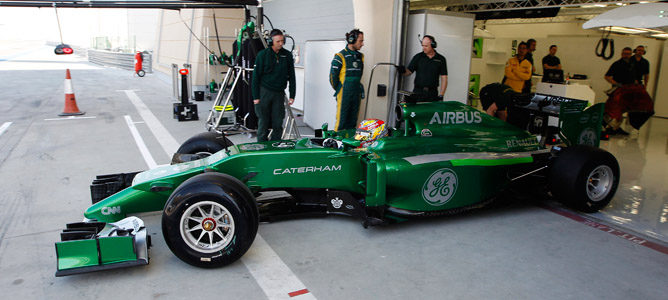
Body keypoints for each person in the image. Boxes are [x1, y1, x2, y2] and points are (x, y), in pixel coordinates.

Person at [251, 28, 296, 142]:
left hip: (279, 93)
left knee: (278, 122)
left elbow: (292, 76)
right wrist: (256, 97)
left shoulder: (287, 55)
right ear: (271, 41)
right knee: (263, 122)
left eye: (282, 41)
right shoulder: (262, 55)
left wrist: (292, 95)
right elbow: (255, 78)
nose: (281, 43)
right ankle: (261, 146)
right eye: (278, 41)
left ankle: (275, 144)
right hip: (264, 92)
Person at [602, 47, 654, 136]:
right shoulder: (617, 64)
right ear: (622, 54)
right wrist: (617, 84)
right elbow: (607, 77)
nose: (626, 55)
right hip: (619, 90)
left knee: (637, 107)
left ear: (631, 54)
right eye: (625, 53)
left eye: (628, 54)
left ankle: (616, 127)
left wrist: (640, 85)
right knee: (614, 110)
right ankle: (611, 127)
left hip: (630, 90)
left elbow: (638, 76)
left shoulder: (633, 64)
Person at [330, 29, 365, 131]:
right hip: (344, 93)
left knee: (353, 122)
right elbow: (333, 78)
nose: (362, 44)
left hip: (356, 93)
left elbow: (360, 74)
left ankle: (349, 144)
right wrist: (340, 88)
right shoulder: (340, 56)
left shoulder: (360, 57)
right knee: (341, 122)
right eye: (360, 41)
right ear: (351, 40)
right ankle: (336, 144)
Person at [397, 35, 448, 101]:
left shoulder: (441, 59)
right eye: (422, 45)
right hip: (418, 92)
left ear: (433, 45)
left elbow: (444, 78)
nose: (423, 48)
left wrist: (441, 95)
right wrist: (403, 71)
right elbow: (408, 72)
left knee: (430, 111)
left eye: (426, 46)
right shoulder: (418, 57)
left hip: (432, 93)